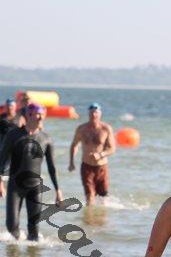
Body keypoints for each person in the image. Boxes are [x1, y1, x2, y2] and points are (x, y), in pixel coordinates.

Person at [0, 103, 63, 241]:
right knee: (11, 226)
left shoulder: (46, 138)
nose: (41, 117)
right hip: (15, 186)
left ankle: (32, 253)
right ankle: (17, 244)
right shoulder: (14, 135)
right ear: (28, 115)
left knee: (34, 229)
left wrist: (58, 190)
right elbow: (2, 159)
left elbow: (52, 167)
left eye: (42, 114)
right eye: (37, 114)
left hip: (35, 187)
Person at [68, 103, 115, 205]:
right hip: (87, 167)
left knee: (103, 197)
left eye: (96, 112)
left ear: (100, 114)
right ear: (88, 114)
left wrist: (100, 154)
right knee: (89, 196)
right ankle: (89, 215)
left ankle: (101, 215)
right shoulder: (81, 129)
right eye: (91, 112)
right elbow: (74, 145)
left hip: (101, 167)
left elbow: (112, 149)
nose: (94, 115)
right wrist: (71, 162)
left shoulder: (106, 129)